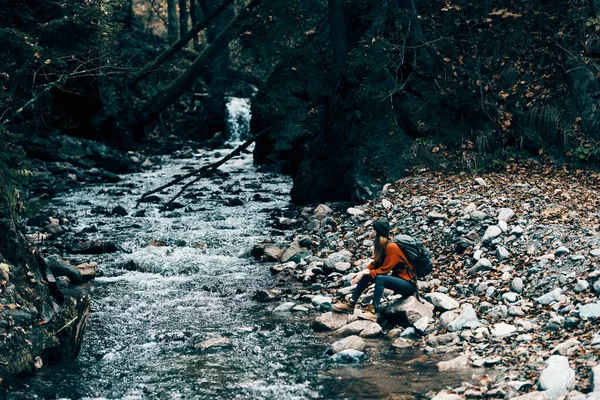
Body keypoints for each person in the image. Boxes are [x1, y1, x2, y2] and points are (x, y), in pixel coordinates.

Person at [332, 219, 416, 319]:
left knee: (381, 278)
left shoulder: (392, 247)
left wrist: (366, 272)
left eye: (373, 229)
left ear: (378, 232)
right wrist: (362, 273)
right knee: (367, 276)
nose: (371, 232)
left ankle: (373, 311)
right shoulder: (383, 245)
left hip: (409, 285)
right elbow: (376, 263)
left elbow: (385, 269)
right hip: (400, 281)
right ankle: (350, 305)